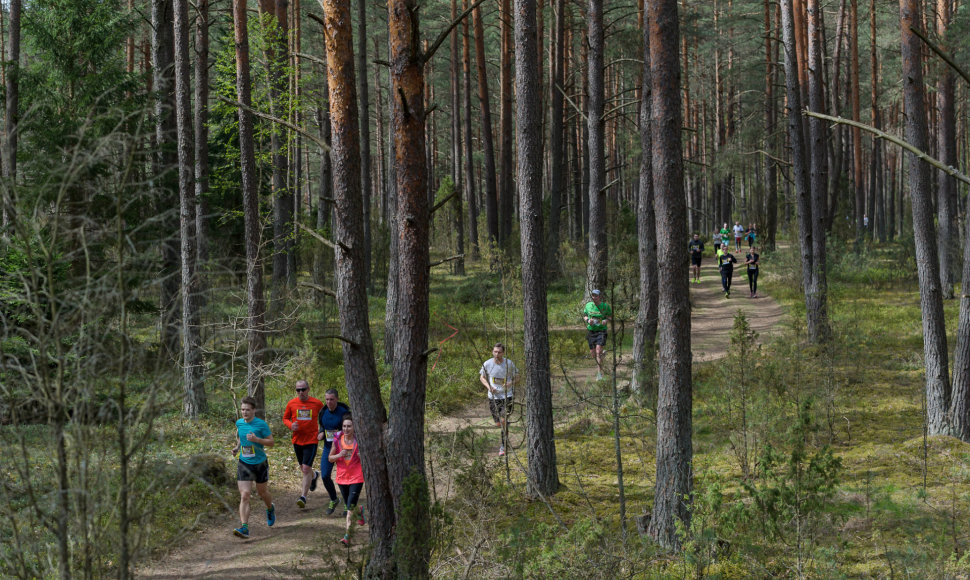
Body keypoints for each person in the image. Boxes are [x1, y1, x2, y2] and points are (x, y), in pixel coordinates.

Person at [232, 397, 276, 539]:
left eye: (247, 410)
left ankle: (270, 508)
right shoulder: (239, 423)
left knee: (262, 492)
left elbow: (271, 442)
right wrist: (237, 447)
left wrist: (257, 440)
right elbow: (241, 437)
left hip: (260, 463)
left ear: (254, 410)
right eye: (243, 409)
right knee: (245, 494)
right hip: (244, 462)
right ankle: (244, 527)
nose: (244, 412)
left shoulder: (261, 425)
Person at [283, 379, 324, 509]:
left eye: (303, 389)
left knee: (306, 468)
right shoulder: (291, 404)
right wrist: (291, 425)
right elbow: (285, 418)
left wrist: (322, 431)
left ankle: (303, 497)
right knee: (304, 468)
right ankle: (315, 475)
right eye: (298, 390)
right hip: (297, 440)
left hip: (311, 440)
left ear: (308, 389)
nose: (300, 392)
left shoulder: (317, 403)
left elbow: (325, 418)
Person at [328, 414, 366, 546]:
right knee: (351, 505)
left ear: (354, 427)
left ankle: (347, 536)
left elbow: (368, 457)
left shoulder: (359, 440)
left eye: (349, 426)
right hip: (342, 478)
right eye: (344, 426)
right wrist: (339, 454)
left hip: (357, 476)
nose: (346, 429)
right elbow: (330, 458)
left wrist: (363, 456)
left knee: (349, 507)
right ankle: (359, 511)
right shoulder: (337, 440)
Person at [480, 343, 518, 456]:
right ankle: (504, 428)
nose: (497, 354)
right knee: (498, 423)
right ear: (492, 352)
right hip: (493, 397)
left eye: (499, 352)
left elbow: (518, 376)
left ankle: (503, 446)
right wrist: (489, 387)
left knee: (503, 421)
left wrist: (511, 382)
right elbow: (482, 377)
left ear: (503, 353)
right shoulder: (487, 364)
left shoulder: (509, 364)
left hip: (507, 396)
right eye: (495, 352)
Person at [317, 389, 351, 515]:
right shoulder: (323, 411)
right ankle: (334, 499)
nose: (329, 402)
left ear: (336, 399)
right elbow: (322, 426)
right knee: (325, 475)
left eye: (331, 399)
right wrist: (320, 433)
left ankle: (348, 505)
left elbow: (350, 428)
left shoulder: (343, 412)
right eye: (326, 399)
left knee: (344, 477)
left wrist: (341, 433)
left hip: (343, 448)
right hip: (328, 447)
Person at [583, 289, 613, 380]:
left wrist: (606, 320)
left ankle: (599, 374)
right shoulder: (588, 305)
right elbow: (584, 315)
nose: (594, 297)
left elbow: (610, 316)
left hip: (601, 331)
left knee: (598, 351)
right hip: (591, 331)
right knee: (593, 354)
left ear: (600, 296)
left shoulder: (605, 306)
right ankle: (601, 354)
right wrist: (588, 320)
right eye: (593, 295)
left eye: (596, 295)